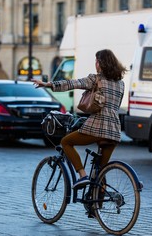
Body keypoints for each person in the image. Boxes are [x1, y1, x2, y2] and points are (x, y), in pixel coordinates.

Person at [32, 49, 126, 189]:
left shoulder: (95, 79)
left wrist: (49, 84)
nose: (95, 64)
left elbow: (72, 83)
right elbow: (115, 106)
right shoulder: (120, 84)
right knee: (101, 170)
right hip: (114, 130)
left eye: (97, 61)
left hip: (97, 125)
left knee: (66, 142)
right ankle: (96, 208)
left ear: (101, 63)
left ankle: (82, 176)